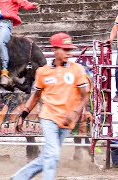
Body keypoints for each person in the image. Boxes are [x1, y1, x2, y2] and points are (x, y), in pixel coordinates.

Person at [12, 33, 89, 180]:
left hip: (67, 121)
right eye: (64, 49)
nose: (68, 53)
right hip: (49, 117)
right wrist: (23, 115)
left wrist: (74, 113)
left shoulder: (77, 70)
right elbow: (35, 96)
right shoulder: (43, 72)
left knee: (48, 156)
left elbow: (85, 95)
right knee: (52, 155)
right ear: (55, 50)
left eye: (69, 50)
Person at [0, 0, 39, 86]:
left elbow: (22, 2)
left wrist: (31, 5)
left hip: (5, 24)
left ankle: (4, 72)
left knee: (0, 42)